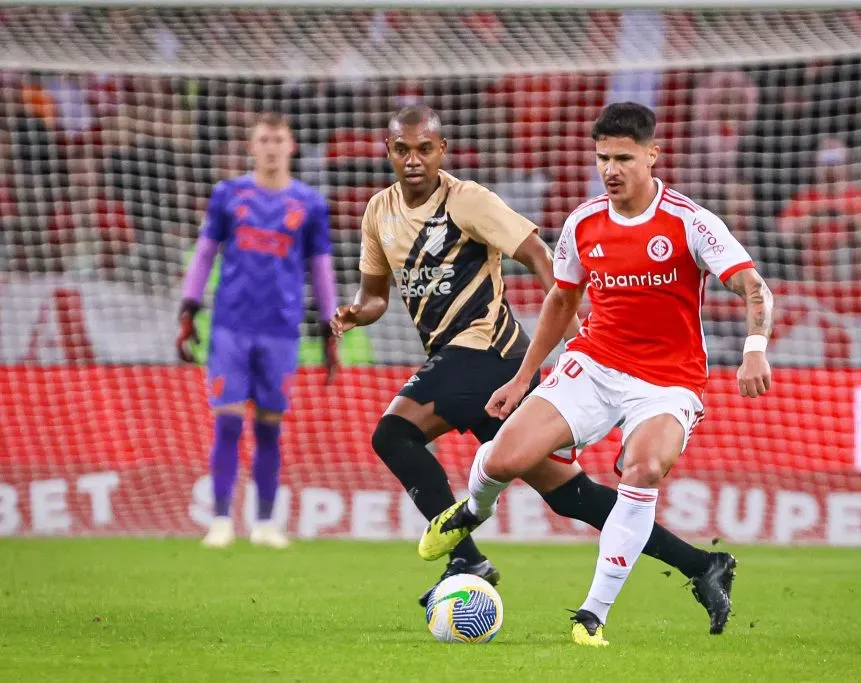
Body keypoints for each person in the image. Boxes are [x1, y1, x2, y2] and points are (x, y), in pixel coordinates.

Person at [332, 105, 733, 626]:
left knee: (393, 433)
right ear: (387, 152)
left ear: (441, 151)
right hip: (452, 357)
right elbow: (375, 296)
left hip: (490, 352)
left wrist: (575, 333)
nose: (413, 160)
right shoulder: (378, 212)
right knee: (571, 496)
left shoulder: (466, 199)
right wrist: (356, 314)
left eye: (424, 149)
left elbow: (539, 256)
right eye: (402, 149)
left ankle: (465, 557)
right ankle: (704, 564)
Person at [418, 102, 774, 646]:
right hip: (595, 364)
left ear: (652, 155)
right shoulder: (584, 223)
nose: (611, 169)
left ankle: (592, 614)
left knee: (644, 468)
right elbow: (562, 300)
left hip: (667, 381)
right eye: (603, 157)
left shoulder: (689, 221)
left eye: (623, 158)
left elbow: (754, 287)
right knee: (506, 457)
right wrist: (522, 377)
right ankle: (472, 510)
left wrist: (754, 349)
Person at [177, 112, 338, 549]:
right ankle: (220, 520)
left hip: (282, 331)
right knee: (227, 424)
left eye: (278, 139)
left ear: (292, 146)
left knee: (269, 428)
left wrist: (330, 325)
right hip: (230, 327)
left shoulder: (310, 204)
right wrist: (188, 306)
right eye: (263, 139)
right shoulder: (228, 195)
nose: (270, 147)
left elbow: (320, 269)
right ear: (252, 147)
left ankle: (265, 522)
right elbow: (205, 253)